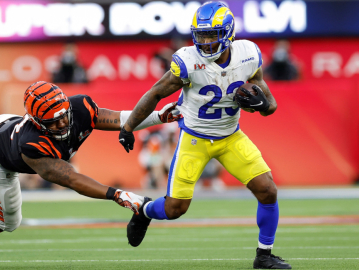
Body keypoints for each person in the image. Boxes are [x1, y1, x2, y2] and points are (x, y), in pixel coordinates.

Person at [0, 81, 181, 270]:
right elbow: (71, 179)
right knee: (8, 220)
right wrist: (118, 195)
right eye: (53, 122)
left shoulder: (79, 108)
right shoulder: (32, 145)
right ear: (37, 122)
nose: (63, 123)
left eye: (63, 116)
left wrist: (159, 116)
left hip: (1, 126)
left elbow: (120, 118)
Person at [118, 2, 291, 269]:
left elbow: (270, 104)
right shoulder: (188, 60)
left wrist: (262, 106)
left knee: (268, 190)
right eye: (201, 35)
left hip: (230, 137)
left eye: (212, 35)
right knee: (175, 209)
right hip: (195, 139)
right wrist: (128, 127)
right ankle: (144, 210)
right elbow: (155, 93)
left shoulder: (248, 55)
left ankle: (264, 255)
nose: (206, 42)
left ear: (229, 33)